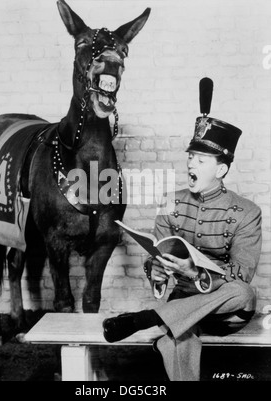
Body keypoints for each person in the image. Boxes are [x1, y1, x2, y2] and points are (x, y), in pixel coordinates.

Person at [102, 78, 262, 381]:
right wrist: (158, 272)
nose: (192, 163)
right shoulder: (170, 201)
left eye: (201, 159)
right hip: (181, 305)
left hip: (224, 311)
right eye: (190, 156)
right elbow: (157, 251)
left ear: (220, 170)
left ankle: (146, 318)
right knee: (178, 339)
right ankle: (159, 319)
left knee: (244, 292)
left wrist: (195, 274)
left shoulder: (247, 212)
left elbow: (241, 275)